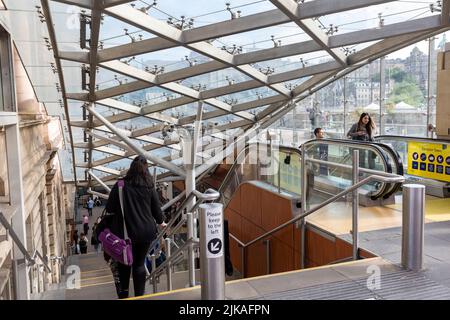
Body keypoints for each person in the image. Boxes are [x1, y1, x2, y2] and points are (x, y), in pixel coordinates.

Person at [100, 155, 167, 299]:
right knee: (138, 264)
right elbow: (157, 211)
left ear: (131, 168)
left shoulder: (120, 186)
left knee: (124, 263)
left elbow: (110, 208)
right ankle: (139, 296)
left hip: (125, 233)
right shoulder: (149, 186)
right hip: (145, 233)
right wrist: (161, 221)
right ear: (145, 169)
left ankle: (124, 294)